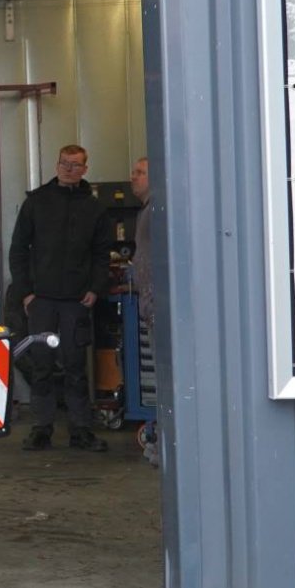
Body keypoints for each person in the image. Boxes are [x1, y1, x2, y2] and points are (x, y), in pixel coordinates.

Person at [9, 143, 117, 452]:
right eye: (64, 164)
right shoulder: (36, 203)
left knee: (75, 366)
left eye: (76, 165)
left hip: (75, 301)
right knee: (41, 365)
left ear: (85, 169)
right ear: (57, 165)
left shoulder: (94, 209)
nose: (69, 169)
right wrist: (26, 293)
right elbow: (18, 250)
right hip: (41, 300)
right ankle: (41, 428)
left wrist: (95, 288)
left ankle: (80, 430)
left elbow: (102, 254)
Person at [130, 157, 160, 466]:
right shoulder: (147, 211)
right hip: (152, 308)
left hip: (159, 310)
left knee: (167, 378)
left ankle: (165, 445)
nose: (133, 177)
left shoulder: (157, 212)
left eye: (140, 173)